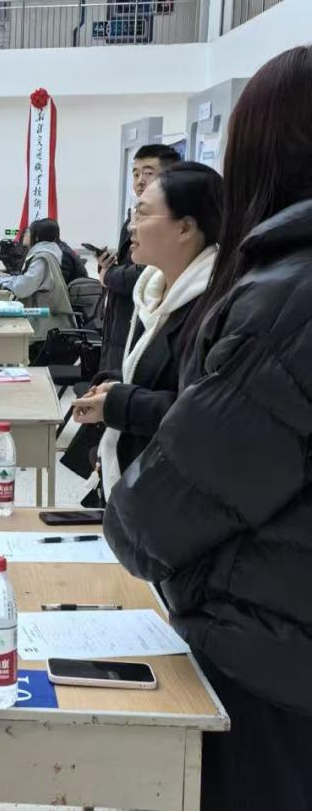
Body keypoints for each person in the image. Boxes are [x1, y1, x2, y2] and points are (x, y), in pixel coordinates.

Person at [104, 45, 312, 809]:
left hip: (269, 657)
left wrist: (126, 514)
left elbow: (170, 501)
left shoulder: (282, 301)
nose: (133, 221)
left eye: (145, 208)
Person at [70, 162, 222, 498]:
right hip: (138, 476)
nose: (131, 227)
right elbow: (153, 376)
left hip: (178, 492)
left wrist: (118, 402)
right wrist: (114, 384)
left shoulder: (215, 307)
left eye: (142, 214)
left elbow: (202, 415)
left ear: (185, 228)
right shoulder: (152, 291)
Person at [97, 143, 181, 371]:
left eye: (148, 173)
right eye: (135, 174)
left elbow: (148, 272)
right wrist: (108, 267)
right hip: (121, 313)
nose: (140, 181)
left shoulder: (171, 221)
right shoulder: (132, 219)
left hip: (145, 317)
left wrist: (108, 276)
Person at [0, 217, 76, 349]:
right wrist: (5, 279)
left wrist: (1, 280)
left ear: (37, 237)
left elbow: (22, 288)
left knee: (0, 330)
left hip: (44, 328)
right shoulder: (46, 254)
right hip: (44, 320)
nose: (25, 234)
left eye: (28, 231)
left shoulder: (42, 258)